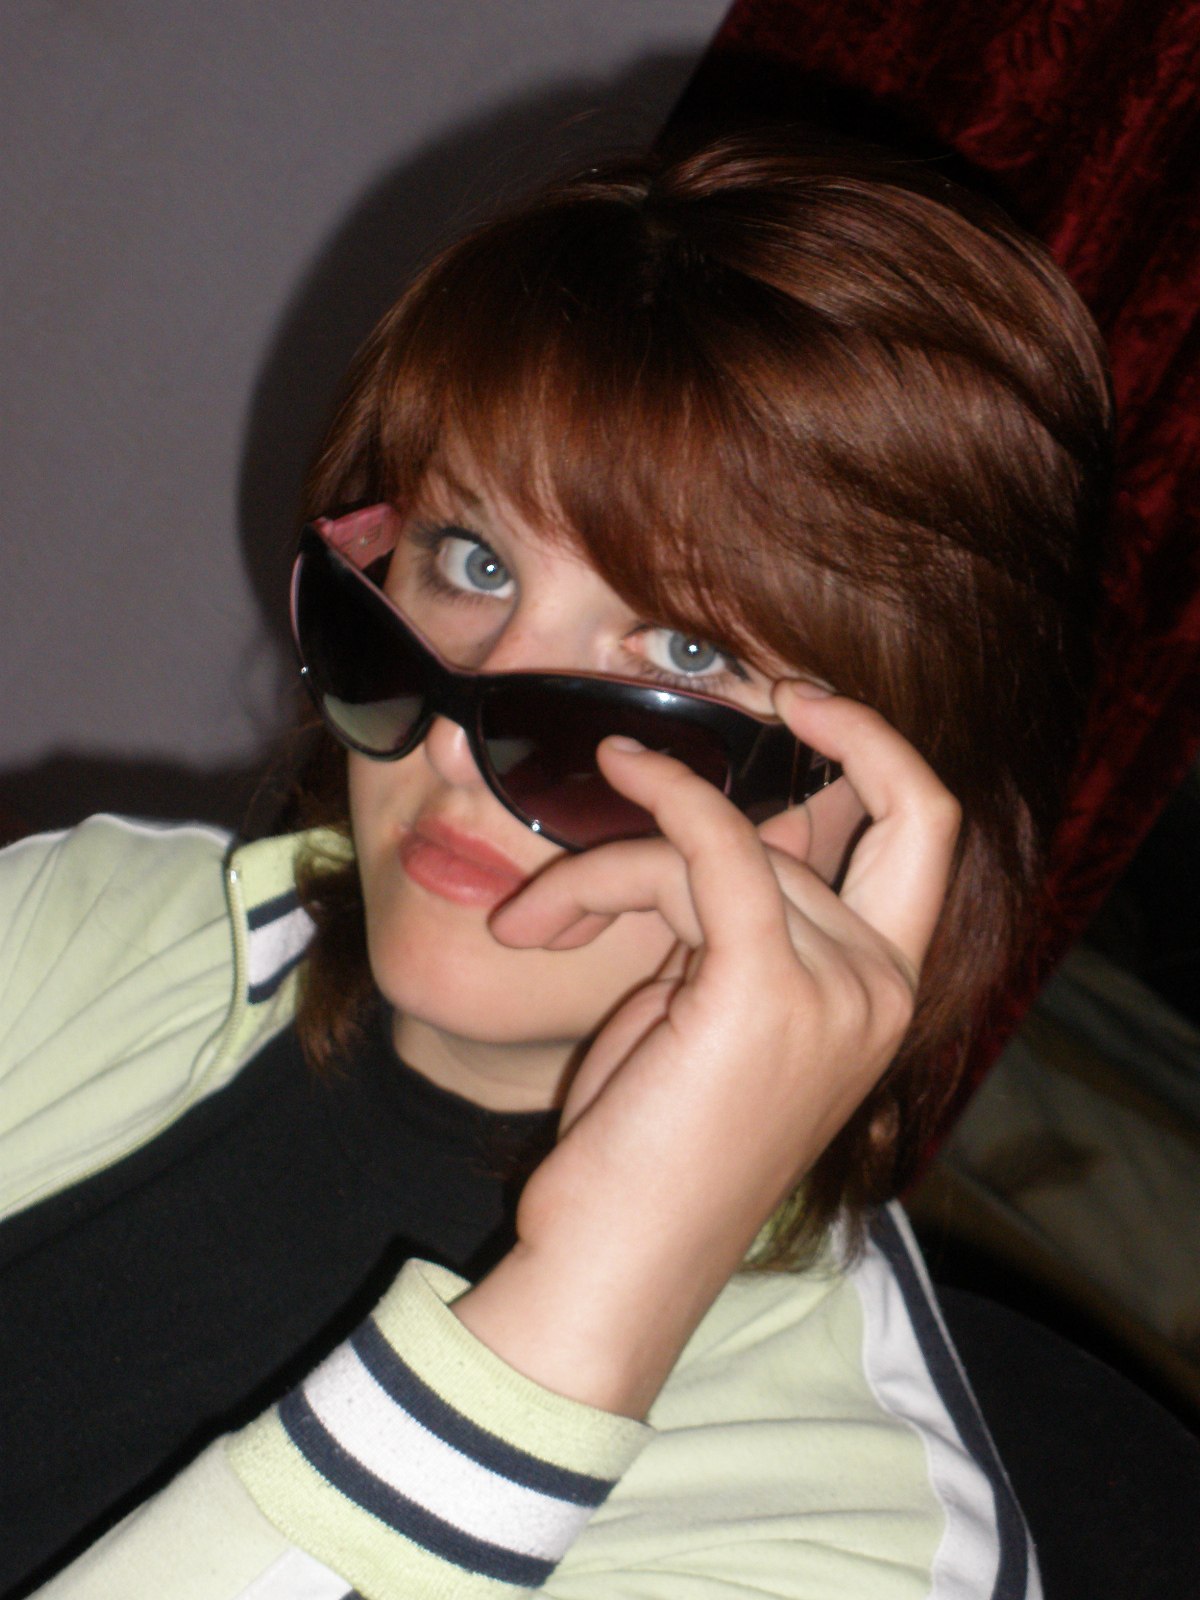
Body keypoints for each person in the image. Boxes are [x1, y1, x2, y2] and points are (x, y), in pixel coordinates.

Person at [1, 126, 1112, 1599]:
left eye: (689, 655)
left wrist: (579, 1323)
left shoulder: (850, 1551)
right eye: (474, 561)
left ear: (906, 801)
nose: (461, 745)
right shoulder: (98, 923)